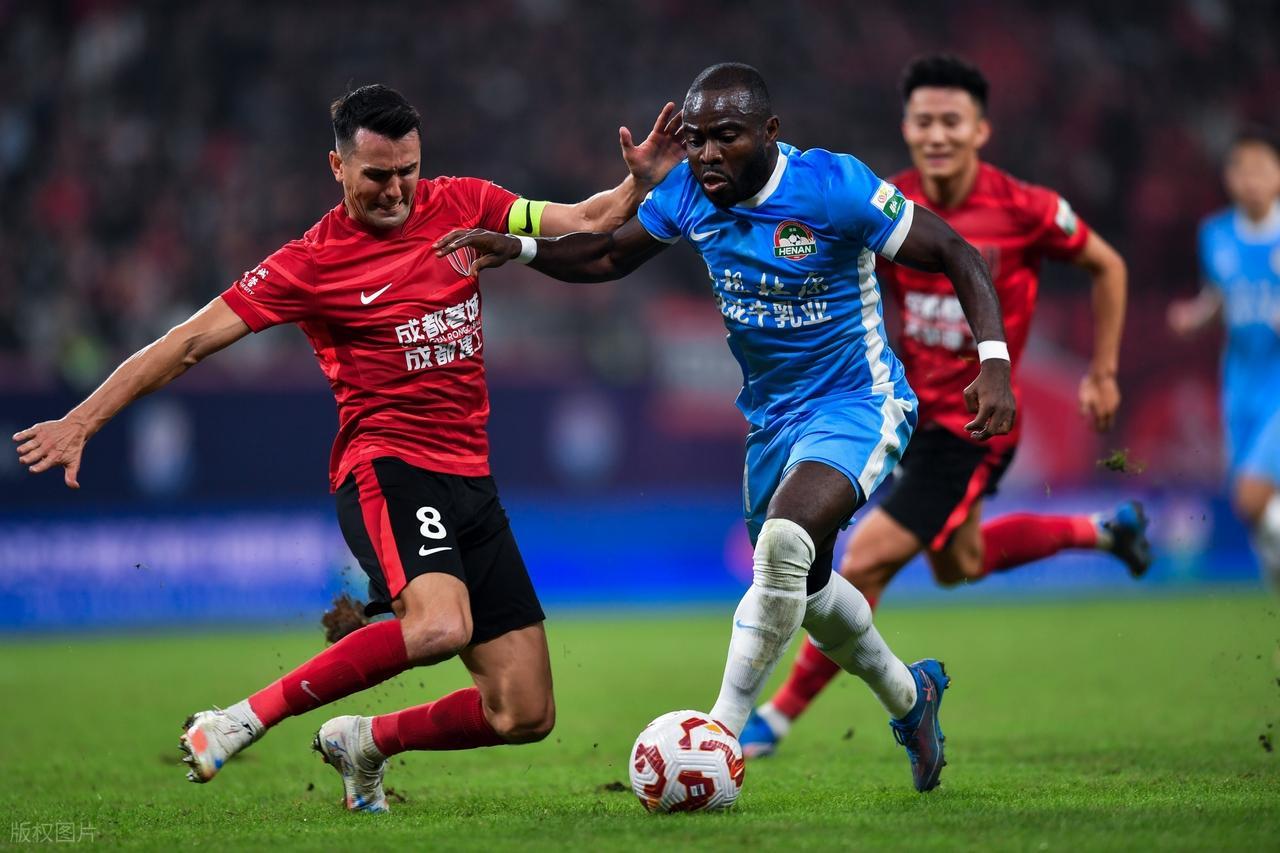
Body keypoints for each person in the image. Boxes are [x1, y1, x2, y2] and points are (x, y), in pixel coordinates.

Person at [11, 84, 685, 813]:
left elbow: (586, 219)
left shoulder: (466, 202)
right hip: (388, 467)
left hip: (471, 480)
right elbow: (188, 342)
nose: (396, 190)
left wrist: (637, 184)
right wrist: (82, 420)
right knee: (440, 626)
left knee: (524, 712)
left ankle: (364, 740)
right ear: (337, 167)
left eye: (408, 171)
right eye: (377, 175)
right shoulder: (310, 262)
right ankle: (236, 720)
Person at [435, 62, 1018, 793]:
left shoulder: (832, 187)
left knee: (783, 543)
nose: (707, 153)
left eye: (727, 137)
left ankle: (716, 735)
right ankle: (911, 697)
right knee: (805, 586)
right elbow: (608, 253)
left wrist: (993, 362)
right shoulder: (688, 191)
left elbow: (956, 252)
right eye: (696, 138)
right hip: (771, 422)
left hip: (856, 402)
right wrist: (519, 248)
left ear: (769, 132)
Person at [738, 54, 1153, 757]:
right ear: (906, 127)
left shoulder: (1024, 208)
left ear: (981, 130)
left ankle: (772, 720)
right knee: (960, 562)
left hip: (973, 426)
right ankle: (1105, 530)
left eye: (951, 121)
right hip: (906, 413)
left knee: (866, 558)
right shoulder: (887, 200)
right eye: (923, 121)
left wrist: (1104, 371)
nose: (936, 135)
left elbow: (1107, 265)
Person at [1169, 129, 1280, 590]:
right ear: (1229, 179)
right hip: (1239, 384)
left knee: (1253, 495)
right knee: (1252, 510)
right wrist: (1197, 317)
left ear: (1277, 176)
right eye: (1241, 170)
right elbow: (1220, 296)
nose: (1251, 180)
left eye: (1261, 170)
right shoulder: (1215, 235)